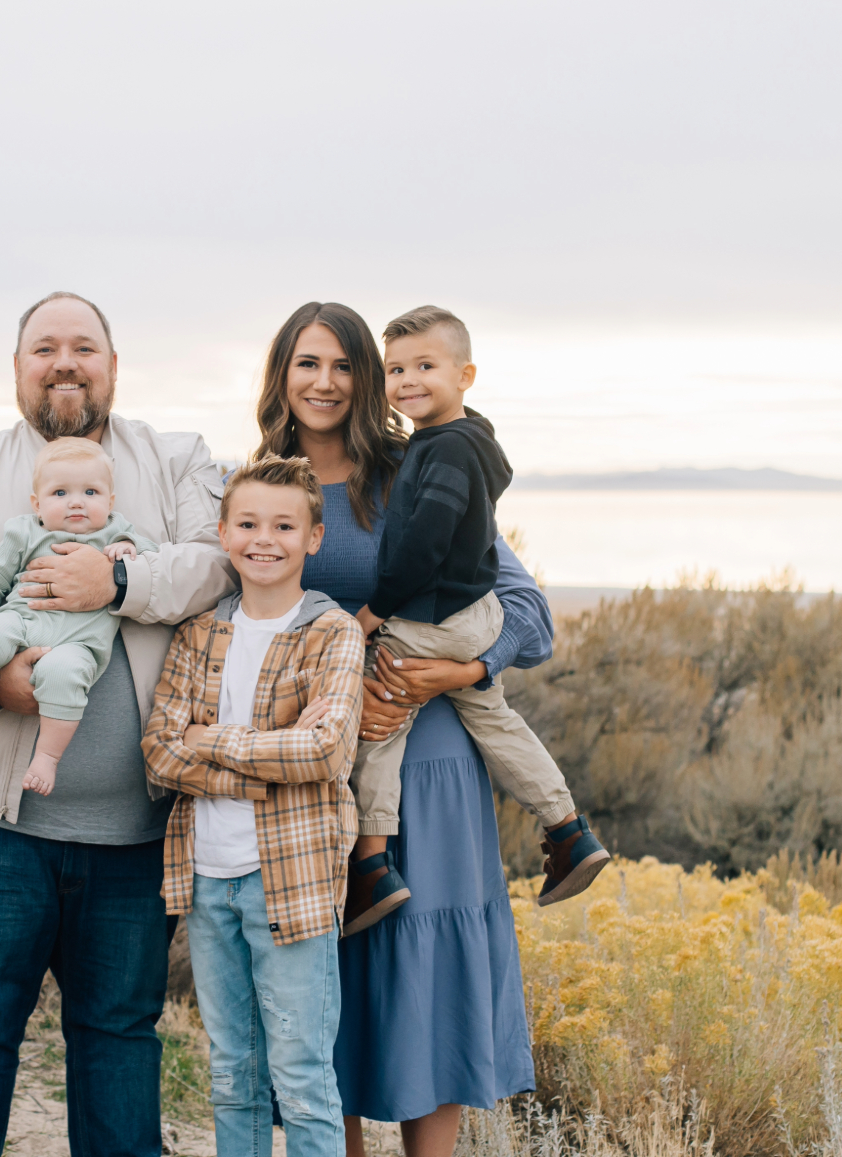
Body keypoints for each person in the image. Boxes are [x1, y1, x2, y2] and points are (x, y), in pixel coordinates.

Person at [0, 291, 236, 1157]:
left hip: (135, 827)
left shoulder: (174, 457)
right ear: (17, 369)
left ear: (114, 365)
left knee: (119, 1036)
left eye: (85, 346)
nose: (65, 362)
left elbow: (213, 564)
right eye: (44, 347)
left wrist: (112, 585)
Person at [251, 301, 550, 1157]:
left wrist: (452, 673)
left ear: (372, 378)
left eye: (344, 365)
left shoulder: (422, 470)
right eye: (308, 363)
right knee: (323, 973)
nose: (326, 382)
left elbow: (527, 611)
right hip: (310, 759)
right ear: (282, 376)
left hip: (430, 758)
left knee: (429, 964)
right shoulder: (260, 486)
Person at [344, 305, 607, 933]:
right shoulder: (467, 440)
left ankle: (371, 864)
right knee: (496, 720)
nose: (407, 381)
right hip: (473, 614)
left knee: (380, 726)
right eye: (396, 369)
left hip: (429, 616)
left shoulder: (444, 453)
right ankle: (567, 828)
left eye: (425, 366)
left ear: (466, 374)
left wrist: (370, 617)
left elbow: (421, 549)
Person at [140, 453, 365, 1157]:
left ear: (313, 537)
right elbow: (159, 753)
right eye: (247, 523)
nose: (263, 539)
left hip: (291, 883)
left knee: (301, 1078)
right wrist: (269, 754)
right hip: (208, 880)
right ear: (223, 531)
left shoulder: (332, 633)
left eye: (283, 525)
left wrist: (217, 743)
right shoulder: (199, 634)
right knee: (232, 1072)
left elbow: (326, 751)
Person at [0, 437, 156, 793]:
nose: (76, 502)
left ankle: (47, 757)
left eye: (91, 492)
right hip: (21, 621)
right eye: (60, 493)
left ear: (110, 501)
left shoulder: (118, 533)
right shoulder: (25, 531)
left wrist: (132, 550)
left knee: (65, 676)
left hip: (80, 643)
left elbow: (152, 560)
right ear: (37, 504)